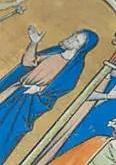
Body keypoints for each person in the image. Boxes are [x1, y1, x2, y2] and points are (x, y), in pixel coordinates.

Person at [0, 26, 98, 162]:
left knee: (6, 130)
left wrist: (39, 91)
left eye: (76, 40)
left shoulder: (73, 68)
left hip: (26, 103)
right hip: (15, 91)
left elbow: (61, 89)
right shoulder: (54, 52)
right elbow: (28, 63)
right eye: (74, 36)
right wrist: (34, 43)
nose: (70, 39)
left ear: (81, 48)